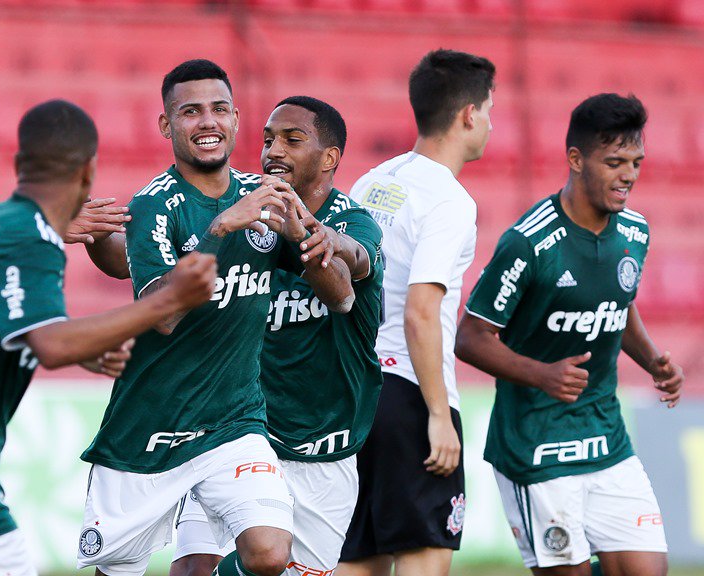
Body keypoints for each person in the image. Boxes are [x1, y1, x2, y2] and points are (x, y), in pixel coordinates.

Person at [0, 99, 217, 575]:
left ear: (18, 164)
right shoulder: (28, 238)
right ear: (88, 172)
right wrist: (167, 300)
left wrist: (87, 352)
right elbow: (50, 344)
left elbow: (21, 332)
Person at [76, 59, 350, 576]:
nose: (207, 121)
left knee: (270, 552)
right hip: (149, 428)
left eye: (219, 109)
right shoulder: (155, 207)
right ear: (166, 126)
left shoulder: (266, 196)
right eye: (191, 111)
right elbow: (162, 315)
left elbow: (341, 298)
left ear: (236, 119)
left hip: (235, 421)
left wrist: (308, 241)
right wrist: (221, 230)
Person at [456, 93, 682, 576]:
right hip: (535, 445)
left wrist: (653, 361)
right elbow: (470, 337)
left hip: (605, 437)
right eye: (615, 162)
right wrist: (543, 374)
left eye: (636, 162)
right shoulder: (530, 243)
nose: (629, 175)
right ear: (576, 160)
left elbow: (618, 306)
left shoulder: (636, 233)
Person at [169, 96, 385, 576]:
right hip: (234, 433)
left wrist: (311, 237)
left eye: (292, 139)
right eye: (267, 139)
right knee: (194, 568)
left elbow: (352, 268)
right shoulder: (243, 213)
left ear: (330, 158)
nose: (273, 150)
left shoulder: (355, 222)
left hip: (321, 450)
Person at [337, 49, 496, 576]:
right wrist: (437, 414)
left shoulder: (373, 181)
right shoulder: (450, 201)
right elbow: (422, 311)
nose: (490, 122)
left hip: (357, 392)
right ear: (468, 114)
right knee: (424, 557)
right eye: (489, 109)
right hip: (411, 394)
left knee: (359, 558)